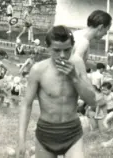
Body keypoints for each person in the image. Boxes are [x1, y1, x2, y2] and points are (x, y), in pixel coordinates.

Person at [17, 26, 97, 158]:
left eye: (67, 50)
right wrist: (21, 139)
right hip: (46, 133)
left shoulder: (77, 63)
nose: (62, 55)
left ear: (72, 46)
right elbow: (26, 104)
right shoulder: (38, 70)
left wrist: (75, 77)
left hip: (72, 132)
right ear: (47, 47)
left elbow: (92, 101)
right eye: (56, 50)